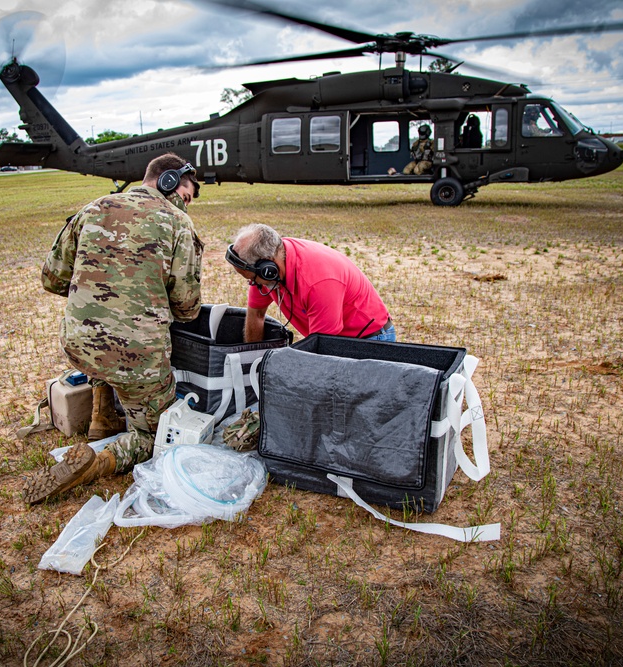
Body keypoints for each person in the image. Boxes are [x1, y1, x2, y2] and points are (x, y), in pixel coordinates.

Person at [23, 153, 204, 505]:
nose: (187, 207)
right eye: (185, 196)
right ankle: (97, 464)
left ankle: (101, 414)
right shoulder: (178, 224)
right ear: (169, 182)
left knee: (104, 340)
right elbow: (186, 306)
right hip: (135, 358)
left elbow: (51, 278)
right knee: (155, 436)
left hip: (78, 346)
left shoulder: (92, 209)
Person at [226, 223, 394, 343]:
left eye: (252, 279)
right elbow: (256, 315)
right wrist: (252, 360)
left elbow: (322, 348)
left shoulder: (319, 282)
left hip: (370, 339)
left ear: (268, 267)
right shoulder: (264, 270)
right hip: (333, 339)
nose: (251, 284)